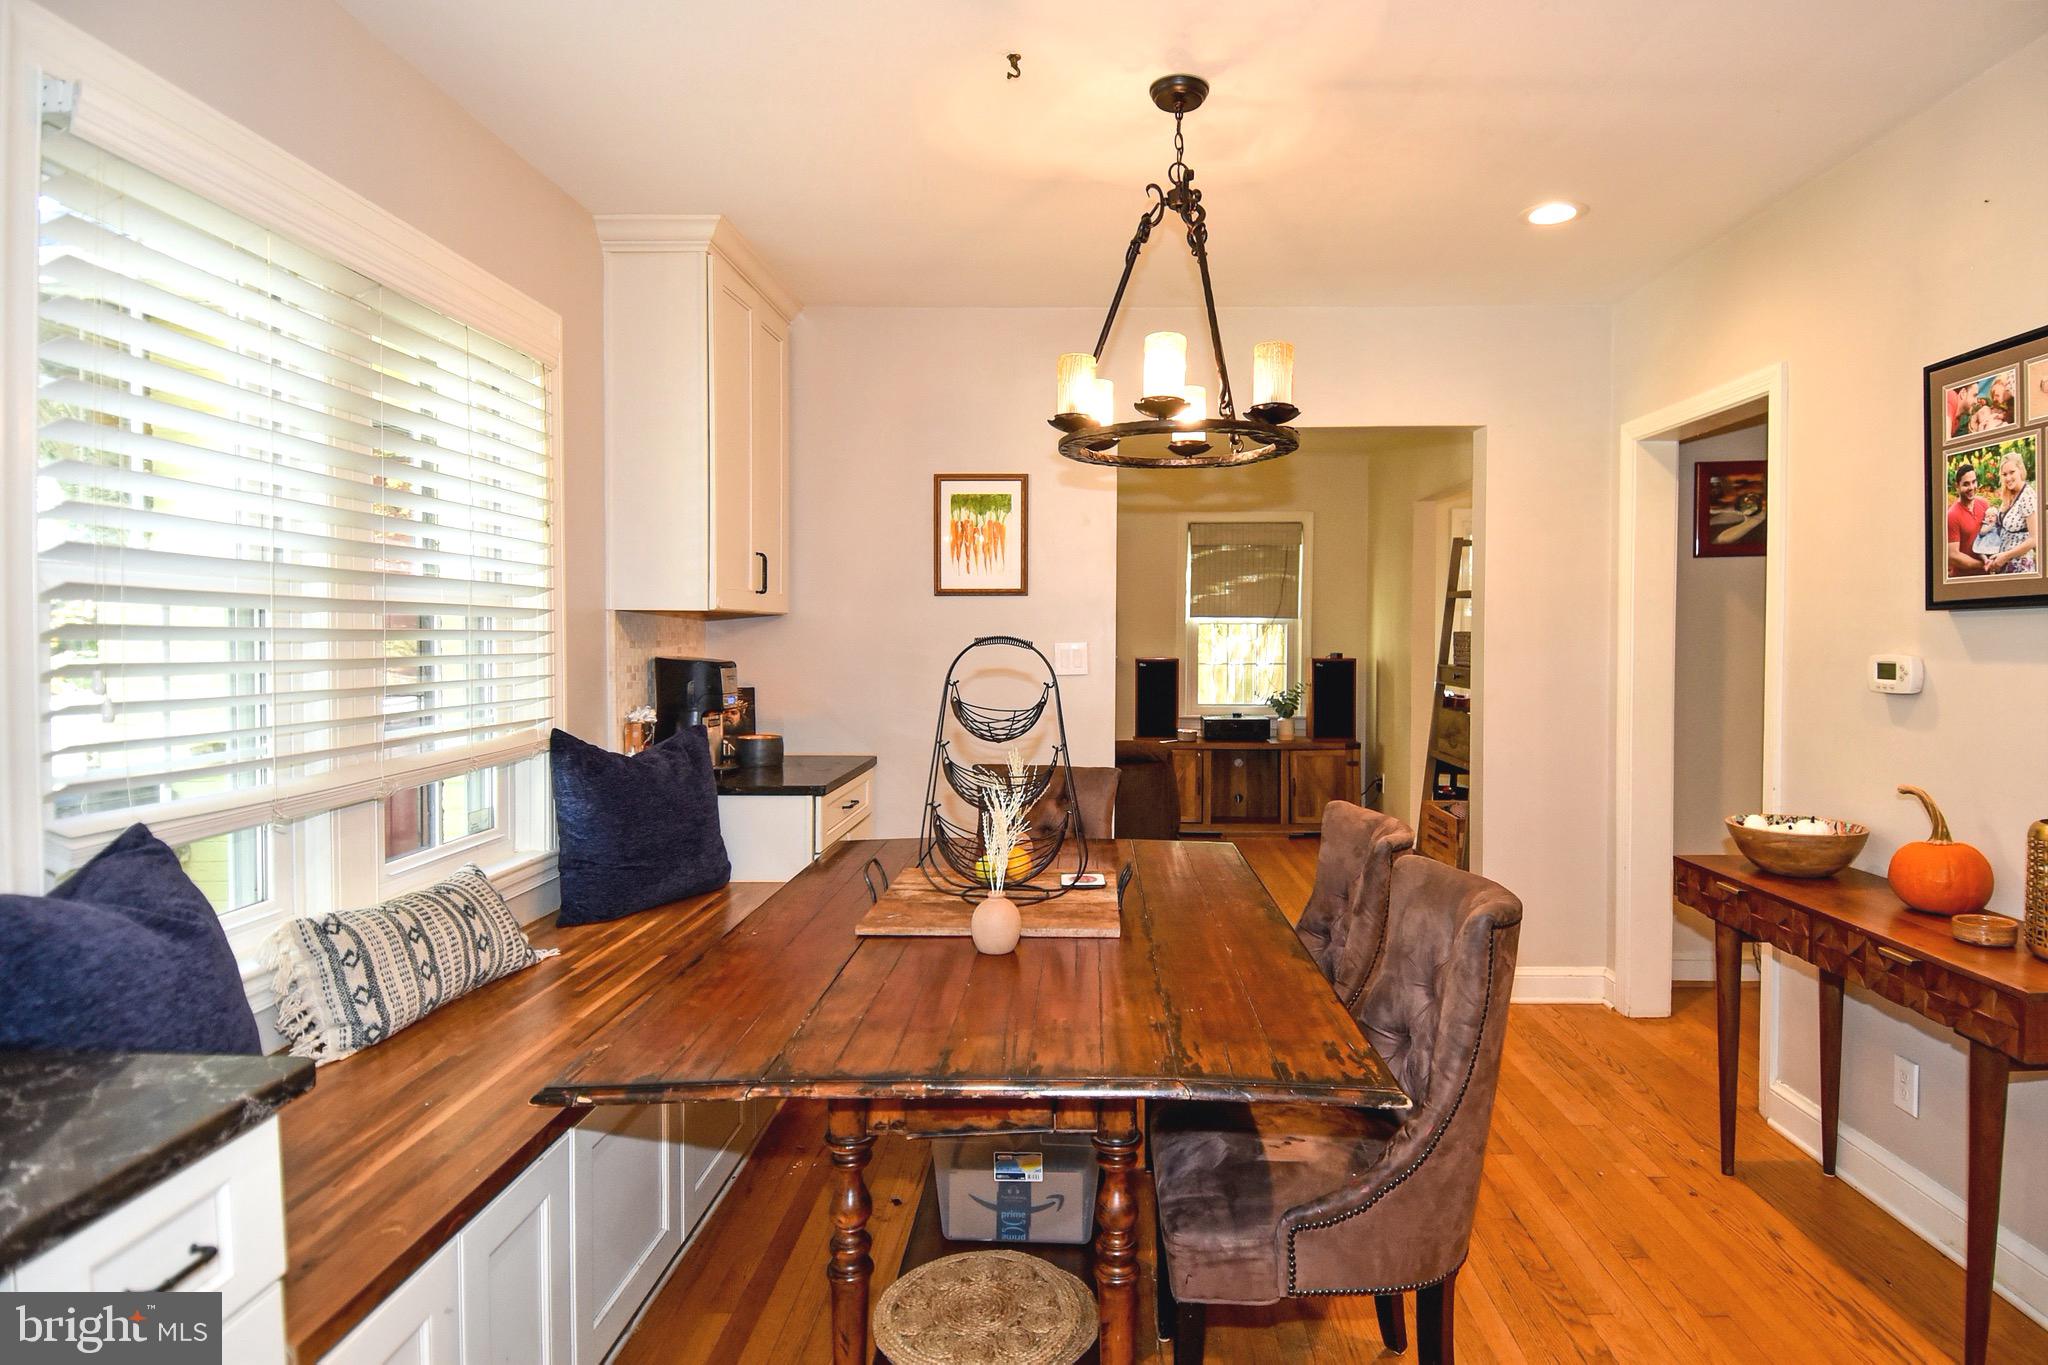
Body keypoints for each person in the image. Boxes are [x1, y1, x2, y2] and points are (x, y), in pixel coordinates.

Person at [1984, 451, 2039, 576]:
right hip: (2005, 565)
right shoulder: (2009, 493)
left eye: (2012, 472)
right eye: (2004, 474)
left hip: (2020, 567)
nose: (2008, 478)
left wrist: (2005, 556)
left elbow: (2034, 539)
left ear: (2020, 470)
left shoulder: (2028, 496)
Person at [1946, 463, 1990, 577]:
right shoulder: (1952, 515)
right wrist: (1983, 564)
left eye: (1974, 482)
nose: (1971, 487)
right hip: (1963, 579)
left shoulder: (1984, 504)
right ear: (1957, 486)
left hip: (1986, 576)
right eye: (1966, 484)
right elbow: (1953, 556)